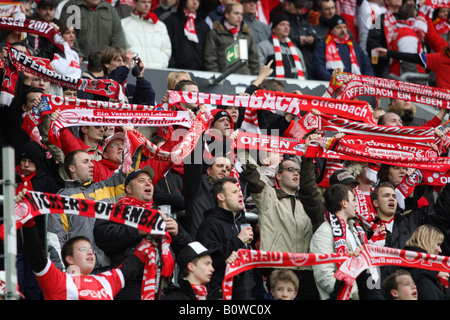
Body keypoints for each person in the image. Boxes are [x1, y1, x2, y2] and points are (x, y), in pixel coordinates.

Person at [17, 189, 152, 300]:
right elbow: (35, 255)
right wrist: (27, 218)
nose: (90, 253)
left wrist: (153, 231)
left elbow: (134, 263)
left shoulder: (106, 281)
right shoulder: (57, 279)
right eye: (83, 249)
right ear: (69, 258)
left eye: (91, 250)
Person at [240, 133, 326, 300]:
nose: (296, 173)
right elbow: (252, 174)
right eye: (290, 169)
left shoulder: (309, 203)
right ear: (278, 175)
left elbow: (310, 184)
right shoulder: (268, 196)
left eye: (298, 171)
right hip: (278, 266)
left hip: (307, 270)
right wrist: (240, 147)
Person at [94, 166, 192, 299]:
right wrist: (138, 230)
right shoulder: (115, 211)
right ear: (128, 189)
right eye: (141, 180)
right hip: (128, 283)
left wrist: (178, 233)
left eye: (150, 182)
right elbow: (103, 237)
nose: (148, 183)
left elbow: (190, 253)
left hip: (161, 284)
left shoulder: (161, 215)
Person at [196, 176, 263, 300]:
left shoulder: (240, 222)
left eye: (239, 191)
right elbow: (210, 259)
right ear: (221, 197)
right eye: (234, 192)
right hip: (223, 294)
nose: (240, 195)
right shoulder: (210, 224)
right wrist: (238, 241)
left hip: (248, 294)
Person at [309, 183, 371, 299]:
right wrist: (353, 294)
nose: (356, 204)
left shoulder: (355, 229)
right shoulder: (323, 233)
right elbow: (324, 274)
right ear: (344, 203)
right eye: (353, 200)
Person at [370, 181, 450, 255]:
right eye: (386, 196)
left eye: (394, 196)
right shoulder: (368, 228)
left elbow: (441, 210)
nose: (392, 199)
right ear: (376, 203)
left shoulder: (410, 220)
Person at [383, 225, 450, 300]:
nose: (440, 250)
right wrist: (435, 272)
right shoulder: (411, 266)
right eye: (438, 244)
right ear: (427, 241)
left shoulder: (427, 271)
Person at [58, 0, 128, 60]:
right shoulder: (72, 7)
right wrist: (77, 55)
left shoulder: (110, 10)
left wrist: (114, 59)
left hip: (104, 66)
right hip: (78, 62)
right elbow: (65, 33)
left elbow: (118, 39)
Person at [312, 14, 374, 81]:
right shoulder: (322, 46)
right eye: (338, 27)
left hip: (355, 85)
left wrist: (367, 80)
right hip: (333, 85)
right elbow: (319, 68)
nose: (342, 30)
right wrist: (334, 80)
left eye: (344, 27)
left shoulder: (354, 47)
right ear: (331, 30)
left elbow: (367, 66)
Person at [204, 2, 260, 75]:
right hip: (223, 79)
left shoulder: (247, 35)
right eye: (236, 13)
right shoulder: (215, 34)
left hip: (245, 79)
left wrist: (254, 81)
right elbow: (210, 60)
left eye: (241, 14)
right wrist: (216, 79)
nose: (239, 16)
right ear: (227, 15)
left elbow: (254, 61)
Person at [121, 0, 172, 69]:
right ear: (135, 3)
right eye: (143, 2)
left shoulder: (160, 25)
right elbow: (120, 49)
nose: (147, 5)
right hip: (132, 70)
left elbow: (166, 49)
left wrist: (162, 64)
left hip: (157, 70)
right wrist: (128, 65)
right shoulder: (123, 24)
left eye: (149, 2)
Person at [163, 0, 210, 71]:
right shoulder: (171, 21)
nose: (195, 2)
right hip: (176, 70)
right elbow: (166, 46)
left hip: (199, 72)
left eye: (198, 0)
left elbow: (207, 52)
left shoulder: (204, 26)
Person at [257, 13, 307, 79]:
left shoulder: (296, 50)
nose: (286, 27)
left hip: (295, 87)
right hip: (272, 87)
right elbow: (259, 69)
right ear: (274, 29)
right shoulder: (263, 46)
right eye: (282, 24)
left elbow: (304, 72)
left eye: (288, 25)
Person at [388, 4, 426, 77]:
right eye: (416, 16)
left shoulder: (400, 30)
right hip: (408, 80)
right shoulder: (407, 34)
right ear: (413, 17)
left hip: (399, 77)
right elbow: (408, 63)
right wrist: (415, 83)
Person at [366, 0, 402, 78]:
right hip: (386, 66)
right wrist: (386, 58)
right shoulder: (378, 19)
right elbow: (372, 45)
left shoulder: (407, 18)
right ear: (387, 2)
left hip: (406, 64)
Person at [281, 0, 318, 72]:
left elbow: (318, 41)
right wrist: (297, 40)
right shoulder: (280, 20)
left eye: (302, 7)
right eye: (297, 6)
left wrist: (312, 40)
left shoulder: (304, 22)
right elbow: (279, 39)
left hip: (308, 64)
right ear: (287, 4)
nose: (299, 10)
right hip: (289, 63)